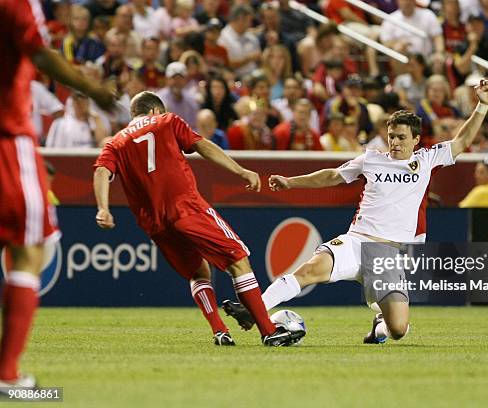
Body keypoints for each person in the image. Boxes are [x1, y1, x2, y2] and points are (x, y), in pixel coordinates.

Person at [223, 79, 488, 345]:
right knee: (310, 269)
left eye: (402, 137)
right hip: (356, 241)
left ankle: (381, 323)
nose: (395, 142)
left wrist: (482, 106)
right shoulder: (371, 160)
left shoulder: (426, 160)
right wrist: (291, 182)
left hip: (392, 254)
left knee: (398, 329)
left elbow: (462, 141)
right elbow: (332, 176)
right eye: (391, 136)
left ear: (416, 139)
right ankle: (255, 310)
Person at [93, 91, 304, 348]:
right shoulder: (167, 121)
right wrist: (240, 170)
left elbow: (102, 170)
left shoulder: (115, 142)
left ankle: (219, 330)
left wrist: (103, 208)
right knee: (238, 260)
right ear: (155, 111)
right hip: (186, 207)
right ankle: (269, 331)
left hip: (155, 223)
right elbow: (202, 145)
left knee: (198, 272)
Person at [0, 0, 115, 390]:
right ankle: (7, 376)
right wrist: (91, 89)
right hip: (7, 137)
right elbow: (39, 52)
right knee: (30, 249)